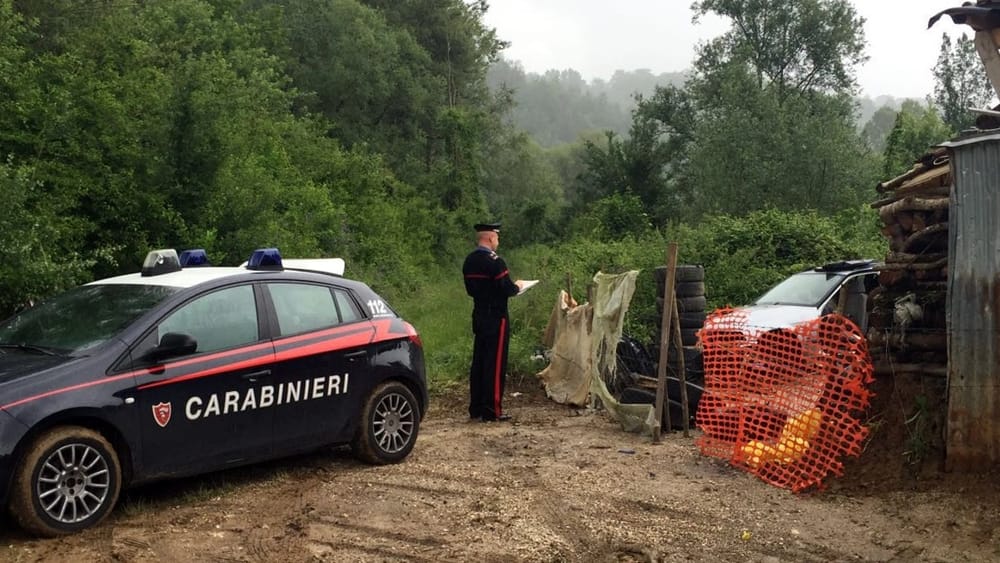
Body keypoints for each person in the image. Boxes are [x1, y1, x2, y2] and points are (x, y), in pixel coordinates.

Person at [462, 222, 524, 422]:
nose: (498, 241)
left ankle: (476, 407)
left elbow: (471, 289)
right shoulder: (495, 262)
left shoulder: (469, 261)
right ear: (490, 238)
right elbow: (506, 288)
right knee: (495, 363)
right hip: (497, 317)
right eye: (497, 238)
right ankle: (492, 410)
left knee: (479, 362)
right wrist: (518, 286)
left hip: (479, 314)